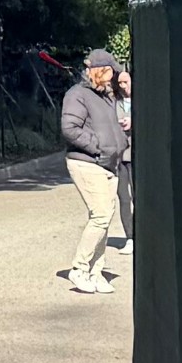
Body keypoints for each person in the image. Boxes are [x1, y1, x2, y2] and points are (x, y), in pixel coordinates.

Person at [60, 49, 128, 295]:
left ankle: (96, 271)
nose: (114, 76)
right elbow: (70, 128)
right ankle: (79, 268)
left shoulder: (105, 95)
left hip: (108, 163)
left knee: (105, 217)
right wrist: (99, 148)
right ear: (101, 71)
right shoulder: (78, 95)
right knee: (100, 215)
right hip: (87, 162)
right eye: (111, 71)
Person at [115, 69, 135, 252]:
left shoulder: (143, 102)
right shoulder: (115, 103)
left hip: (137, 155)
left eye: (126, 82)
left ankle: (141, 234)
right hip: (120, 156)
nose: (123, 86)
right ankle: (129, 236)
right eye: (120, 83)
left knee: (139, 197)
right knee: (123, 198)